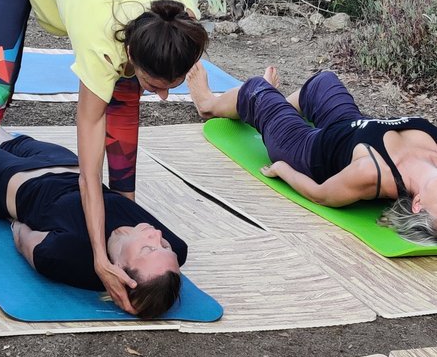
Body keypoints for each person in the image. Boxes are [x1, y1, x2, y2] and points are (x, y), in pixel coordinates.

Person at [0, 0, 208, 314]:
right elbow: (88, 172)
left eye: (171, 85)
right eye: (156, 85)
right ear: (130, 49)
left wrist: (124, 215)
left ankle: (125, 203)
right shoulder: (99, 34)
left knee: (127, 95)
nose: (165, 98)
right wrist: (99, 257)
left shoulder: (182, 17)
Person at [0, 74, 187, 318]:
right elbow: (166, 262)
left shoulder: (65, 255)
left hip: (12, 181)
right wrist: (159, 251)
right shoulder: (175, 251)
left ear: (119, 269)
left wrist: (14, 219)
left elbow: (23, 236)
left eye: (148, 248)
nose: (157, 235)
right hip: (65, 162)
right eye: (164, 246)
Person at [186, 63, 437, 245]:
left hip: (306, 148)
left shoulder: (374, 174)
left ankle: (208, 104)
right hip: (347, 126)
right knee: (323, 81)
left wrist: (283, 169)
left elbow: (320, 194)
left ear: (418, 204)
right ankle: (272, 108)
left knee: (255, 89)